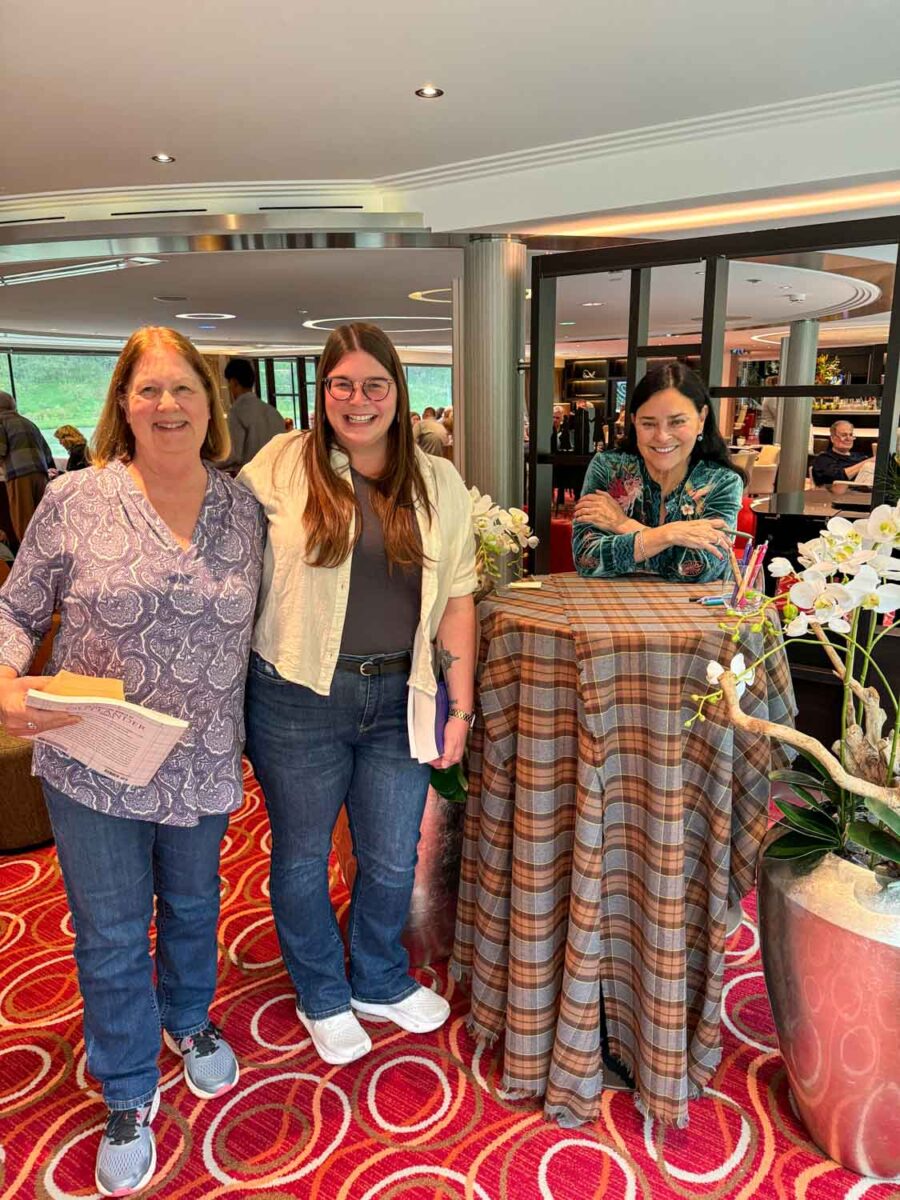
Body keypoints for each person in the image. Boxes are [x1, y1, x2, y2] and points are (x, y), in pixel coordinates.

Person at [0, 327, 265, 1197]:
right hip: (95, 759)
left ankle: (189, 1021)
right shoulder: (74, 500)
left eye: (184, 389)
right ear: (122, 402)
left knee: (193, 906)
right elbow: (14, 610)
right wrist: (5, 680)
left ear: (210, 403)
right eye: (148, 391)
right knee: (112, 932)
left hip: (201, 760)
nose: (167, 406)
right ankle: (125, 1087)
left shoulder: (242, 509)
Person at [240, 322, 476, 1068]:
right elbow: (224, 563)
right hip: (297, 698)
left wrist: (461, 706)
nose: (358, 398)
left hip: (399, 696)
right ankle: (322, 992)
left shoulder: (436, 480)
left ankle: (376, 976)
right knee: (304, 857)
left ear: (398, 393)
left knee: (390, 856)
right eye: (342, 383)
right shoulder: (279, 465)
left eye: (376, 384)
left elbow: (460, 597)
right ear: (323, 391)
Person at [573, 362, 744, 582]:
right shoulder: (608, 468)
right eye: (648, 424)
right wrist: (670, 535)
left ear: (701, 419)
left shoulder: (721, 482)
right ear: (634, 421)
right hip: (612, 608)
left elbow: (697, 568)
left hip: (699, 612)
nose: (662, 436)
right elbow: (587, 559)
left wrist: (624, 525)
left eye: (677, 422)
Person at [0, 390, 55, 546]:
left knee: (24, 520)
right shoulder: (28, 423)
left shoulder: (1, 421)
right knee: (43, 518)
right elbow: (47, 452)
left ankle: (30, 559)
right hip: (41, 473)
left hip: (19, 475)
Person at [221, 357, 285, 470]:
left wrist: (205, 464)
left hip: (251, 479)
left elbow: (234, 455)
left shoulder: (237, 413)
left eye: (229, 383)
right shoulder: (274, 412)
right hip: (277, 475)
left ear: (234, 382)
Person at [811, 420, 874, 486]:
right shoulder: (824, 458)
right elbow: (835, 478)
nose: (848, 438)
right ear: (832, 438)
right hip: (845, 494)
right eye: (844, 435)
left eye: (851, 435)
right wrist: (866, 463)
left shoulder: (861, 457)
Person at [758, 375, 780, 445]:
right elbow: (777, 414)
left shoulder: (770, 396)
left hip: (767, 430)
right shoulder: (771, 397)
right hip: (769, 431)